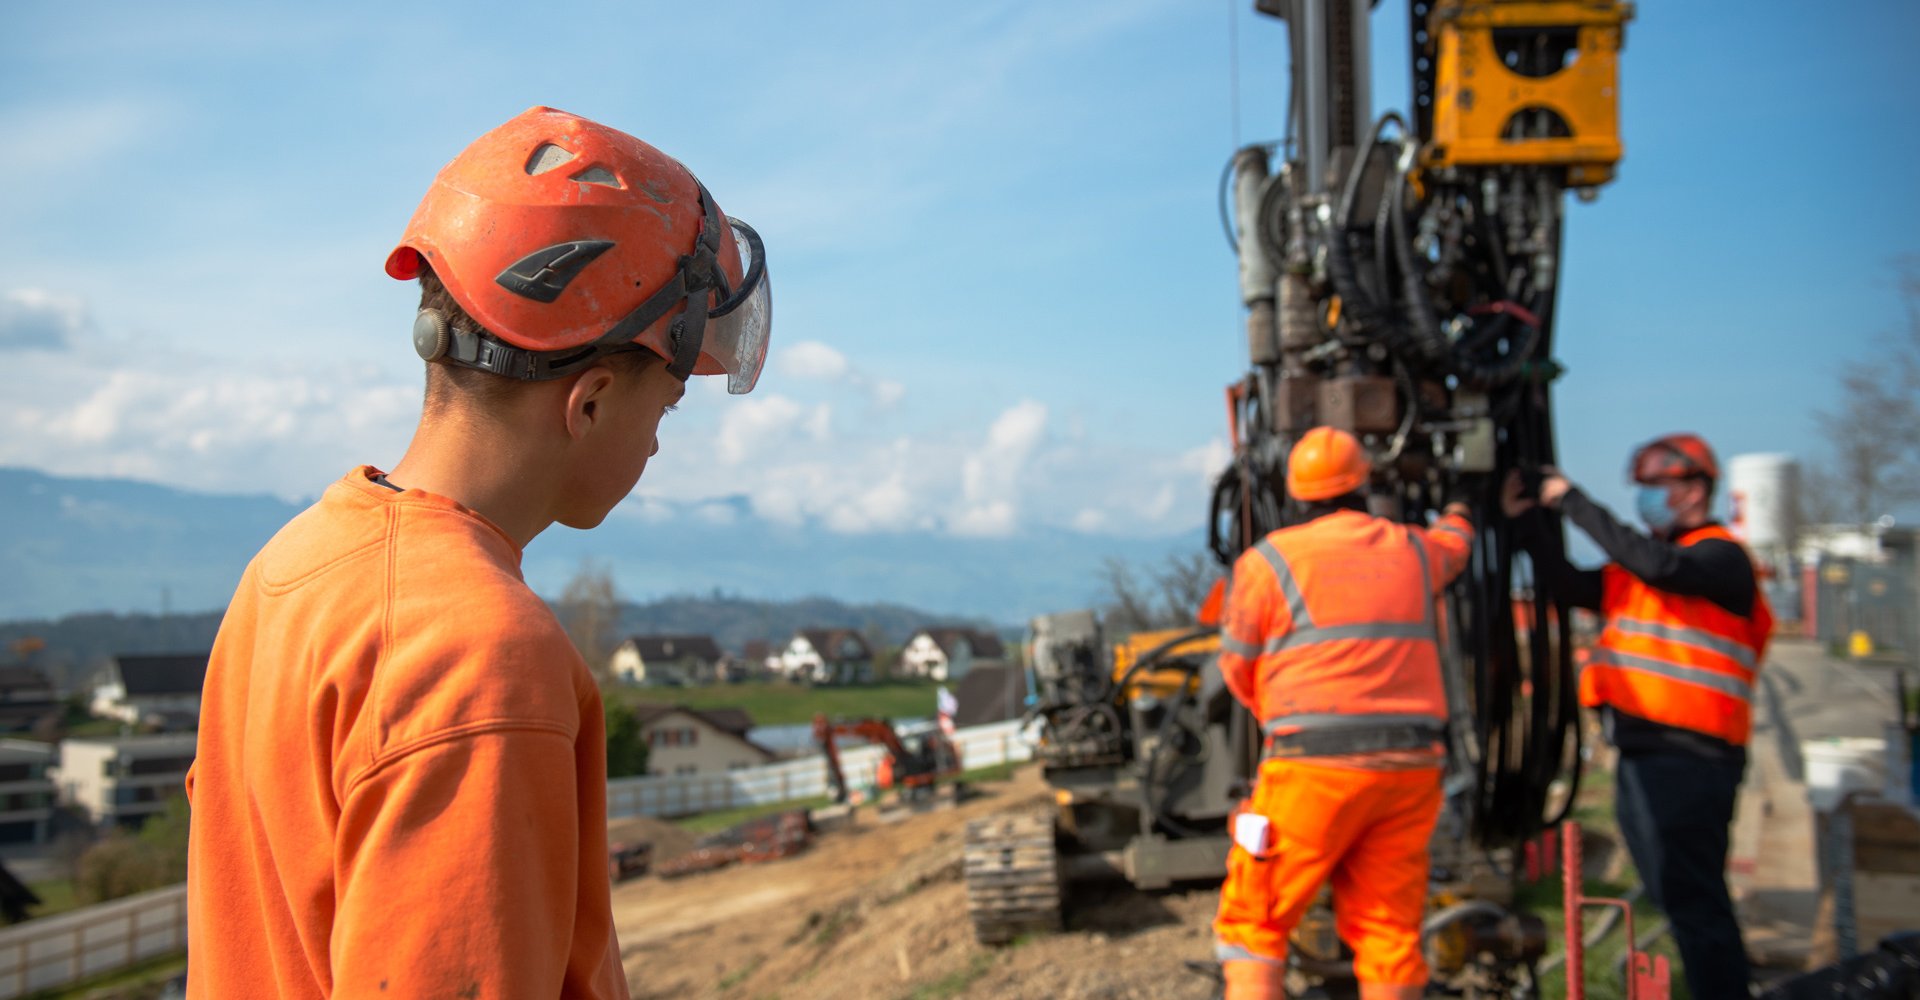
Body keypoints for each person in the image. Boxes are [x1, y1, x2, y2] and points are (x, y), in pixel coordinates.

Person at [184, 106, 771, 998]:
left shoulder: (288, 571)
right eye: (669, 404)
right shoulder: (484, 662)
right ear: (592, 401)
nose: (657, 442)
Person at [1213, 426, 1476, 1000]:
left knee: (1254, 920)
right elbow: (1456, 545)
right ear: (1365, 483)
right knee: (1388, 930)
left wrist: (1276, 712)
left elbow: (1234, 666)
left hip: (1312, 768)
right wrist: (1460, 504)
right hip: (1410, 767)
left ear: (1297, 494)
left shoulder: (1269, 562)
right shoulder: (1413, 548)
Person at [1504, 433, 1770, 1000]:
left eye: (1657, 486)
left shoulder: (1721, 559)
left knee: (1695, 902)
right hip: (1645, 755)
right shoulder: (1639, 572)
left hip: (1694, 759)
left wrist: (1572, 501)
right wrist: (1527, 521)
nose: (1646, 498)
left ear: (1696, 488)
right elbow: (1569, 584)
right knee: (1675, 896)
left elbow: (1659, 565)